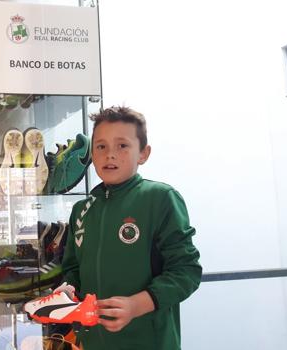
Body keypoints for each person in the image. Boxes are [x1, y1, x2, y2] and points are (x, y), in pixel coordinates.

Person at [61, 106, 202, 349]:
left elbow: (186, 272)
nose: (110, 155)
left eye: (122, 145)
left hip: (149, 341)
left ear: (143, 154)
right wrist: (68, 291)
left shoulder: (160, 198)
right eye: (101, 146)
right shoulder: (82, 210)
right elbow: (73, 268)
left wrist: (136, 305)